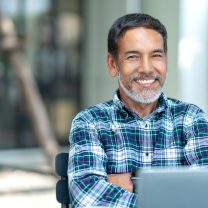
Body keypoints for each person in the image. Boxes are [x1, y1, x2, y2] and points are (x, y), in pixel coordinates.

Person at [67, 13, 208, 207]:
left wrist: (132, 181)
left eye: (156, 55)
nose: (146, 68)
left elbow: (204, 196)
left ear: (166, 60)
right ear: (112, 64)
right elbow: (89, 199)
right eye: (133, 57)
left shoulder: (191, 119)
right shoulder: (90, 123)